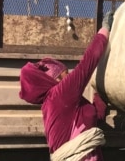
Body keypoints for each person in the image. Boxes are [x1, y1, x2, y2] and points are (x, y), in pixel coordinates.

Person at [19, 11, 114, 161]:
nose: (69, 76)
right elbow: (88, 63)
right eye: (65, 73)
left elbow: (87, 122)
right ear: (55, 78)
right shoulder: (60, 94)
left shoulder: (54, 103)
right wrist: (105, 29)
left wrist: (100, 96)